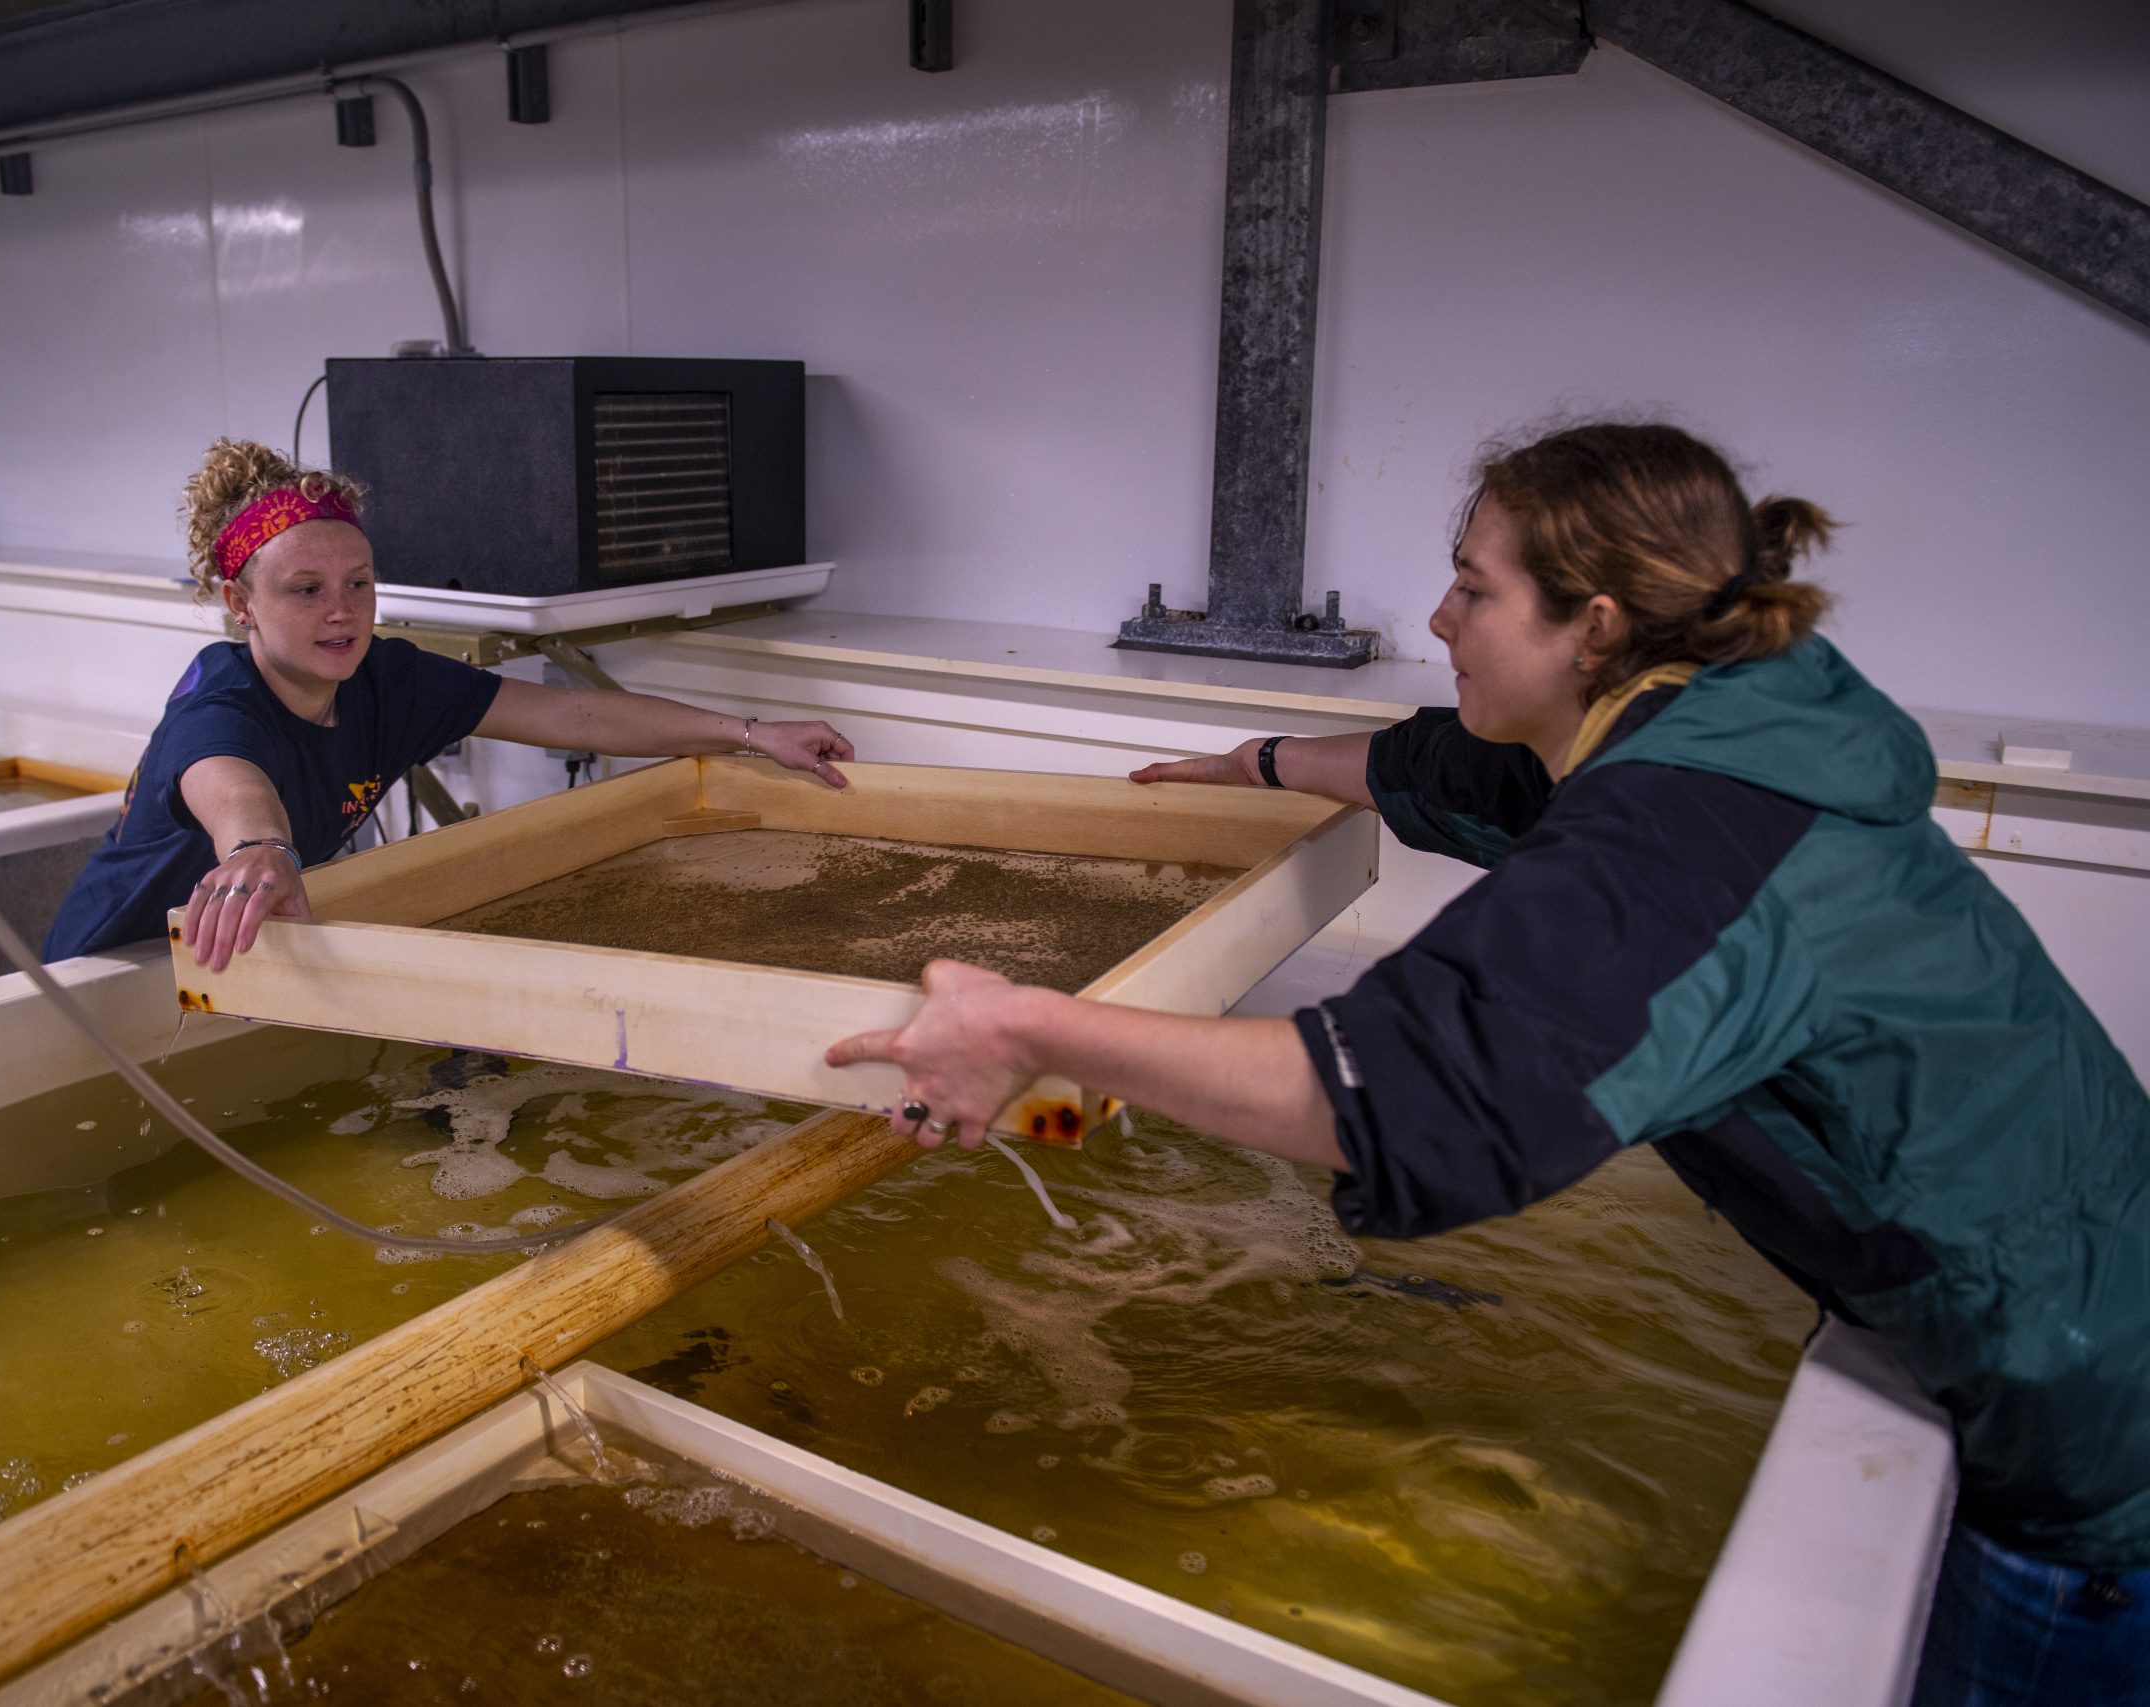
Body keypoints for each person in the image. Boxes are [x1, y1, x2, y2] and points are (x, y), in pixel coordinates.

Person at [827, 422, 2149, 1705]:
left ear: (1599, 621)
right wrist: (1257, 763)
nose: (1441, 618)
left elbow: (1412, 1098)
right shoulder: (1740, 718)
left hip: (2090, 1443)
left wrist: (1030, 1030)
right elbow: (1472, 768)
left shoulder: (1687, 835)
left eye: (1474, 584)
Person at [44, 440, 853, 970]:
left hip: (238, 961)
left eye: (359, 583)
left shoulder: (388, 681)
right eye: (306, 590)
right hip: (113, 973)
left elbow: (576, 718)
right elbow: (230, 784)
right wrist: (260, 846)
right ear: (240, 601)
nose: (343, 610)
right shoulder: (218, 705)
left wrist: (750, 733)